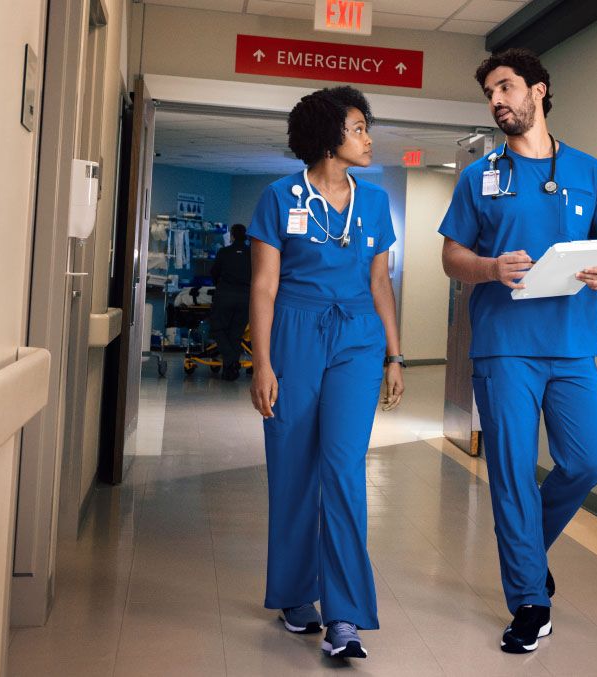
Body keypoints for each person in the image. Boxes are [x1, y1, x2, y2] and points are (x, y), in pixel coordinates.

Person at [438, 48, 597, 654]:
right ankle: (528, 598)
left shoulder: (588, 170)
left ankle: (525, 553)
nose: (497, 101)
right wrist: (491, 267)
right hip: (504, 347)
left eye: (506, 87)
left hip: (572, 344)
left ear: (538, 92)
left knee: (588, 461)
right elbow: (451, 257)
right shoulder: (480, 177)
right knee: (514, 475)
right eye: (490, 93)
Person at [247, 85, 405, 660]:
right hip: (294, 333)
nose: (368, 138)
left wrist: (394, 353)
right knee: (292, 467)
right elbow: (264, 286)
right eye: (359, 127)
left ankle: (344, 616)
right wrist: (262, 363)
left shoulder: (376, 200)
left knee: (342, 470)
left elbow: (380, 282)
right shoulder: (277, 196)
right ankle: (294, 593)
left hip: (357, 338)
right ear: (329, 137)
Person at [209, 223, 251, 380]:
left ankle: (231, 360)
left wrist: (220, 285)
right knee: (236, 333)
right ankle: (230, 370)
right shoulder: (251, 254)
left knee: (218, 329)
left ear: (232, 236)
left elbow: (214, 272)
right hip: (245, 298)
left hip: (225, 296)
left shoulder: (224, 252)